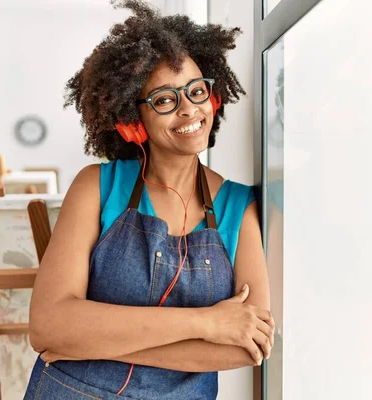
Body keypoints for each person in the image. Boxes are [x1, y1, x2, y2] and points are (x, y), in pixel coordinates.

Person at [23, 1, 274, 399]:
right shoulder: (96, 187)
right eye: (164, 99)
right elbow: (48, 326)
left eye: (196, 91)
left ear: (214, 99)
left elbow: (247, 344)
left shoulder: (240, 208)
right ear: (131, 122)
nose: (188, 108)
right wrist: (207, 324)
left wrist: (90, 340)